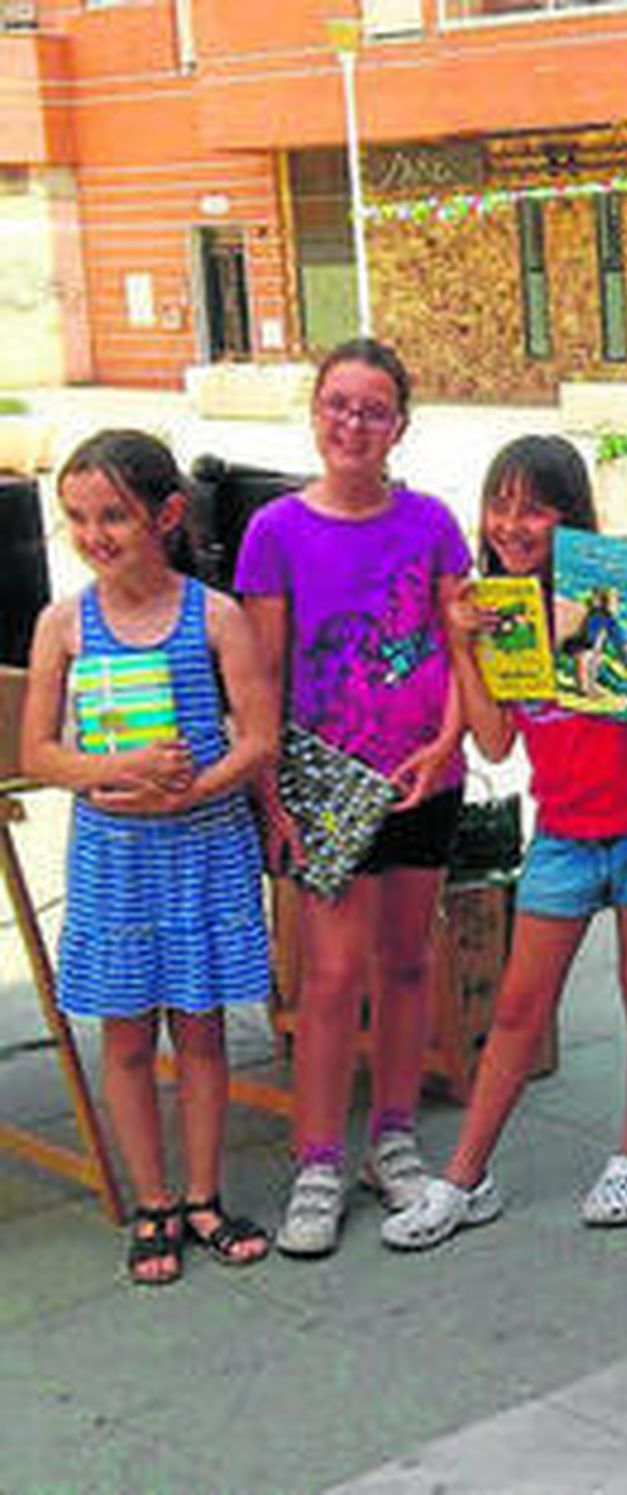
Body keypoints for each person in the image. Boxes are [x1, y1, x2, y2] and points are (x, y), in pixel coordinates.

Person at [381, 435, 627, 1250]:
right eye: (500, 503)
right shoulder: (499, 611)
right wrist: (461, 642)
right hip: (563, 831)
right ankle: (465, 1176)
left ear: (572, 514)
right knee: (520, 1006)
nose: (512, 523)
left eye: (534, 505)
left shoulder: (616, 589)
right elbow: (492, 745)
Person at [20, 431, 276, 1284]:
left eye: (115, 516)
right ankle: (153, 1200)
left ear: (166, 515)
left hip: (201, 851)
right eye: (79, 520)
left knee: (201, 1034)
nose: (96, 535)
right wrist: (111, 771)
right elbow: (41, 750)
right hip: (114, 860)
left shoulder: (215, 615)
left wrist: (195, 787)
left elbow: (260, 737)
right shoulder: (62, 624)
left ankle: (204, 1194)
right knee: (127, 1039)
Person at [235, 338, 472, 1258]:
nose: (354, 424)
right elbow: (259, 677)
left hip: (424, 776)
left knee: (408, 961)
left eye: (374, 410)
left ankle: (395, 1135)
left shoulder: (434, 524)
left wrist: (447, 741)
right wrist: (272, 792)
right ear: (315, 411)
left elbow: (461, 646)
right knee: (332, 976)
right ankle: (319, 1158)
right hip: (326, 782)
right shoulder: (276, 532)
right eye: (339, 404)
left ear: (400, 426)